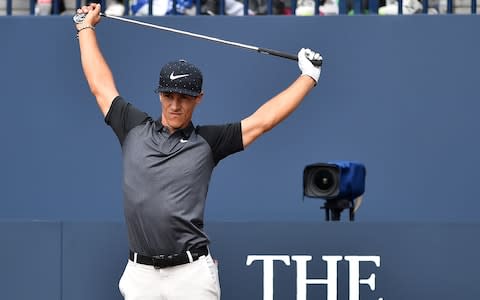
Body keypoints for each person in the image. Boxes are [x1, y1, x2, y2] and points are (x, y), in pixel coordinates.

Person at [74, 3, 322, 299]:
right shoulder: (132, 127)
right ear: (160, 94)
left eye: (185, 98)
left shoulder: (209, 141)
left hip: (190, 275)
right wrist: (85, 28)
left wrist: (309, 77)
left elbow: (262, 121)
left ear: (198, 99)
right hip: (139, 274)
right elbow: (100, 85)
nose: (175, 105)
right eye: (168, 96)